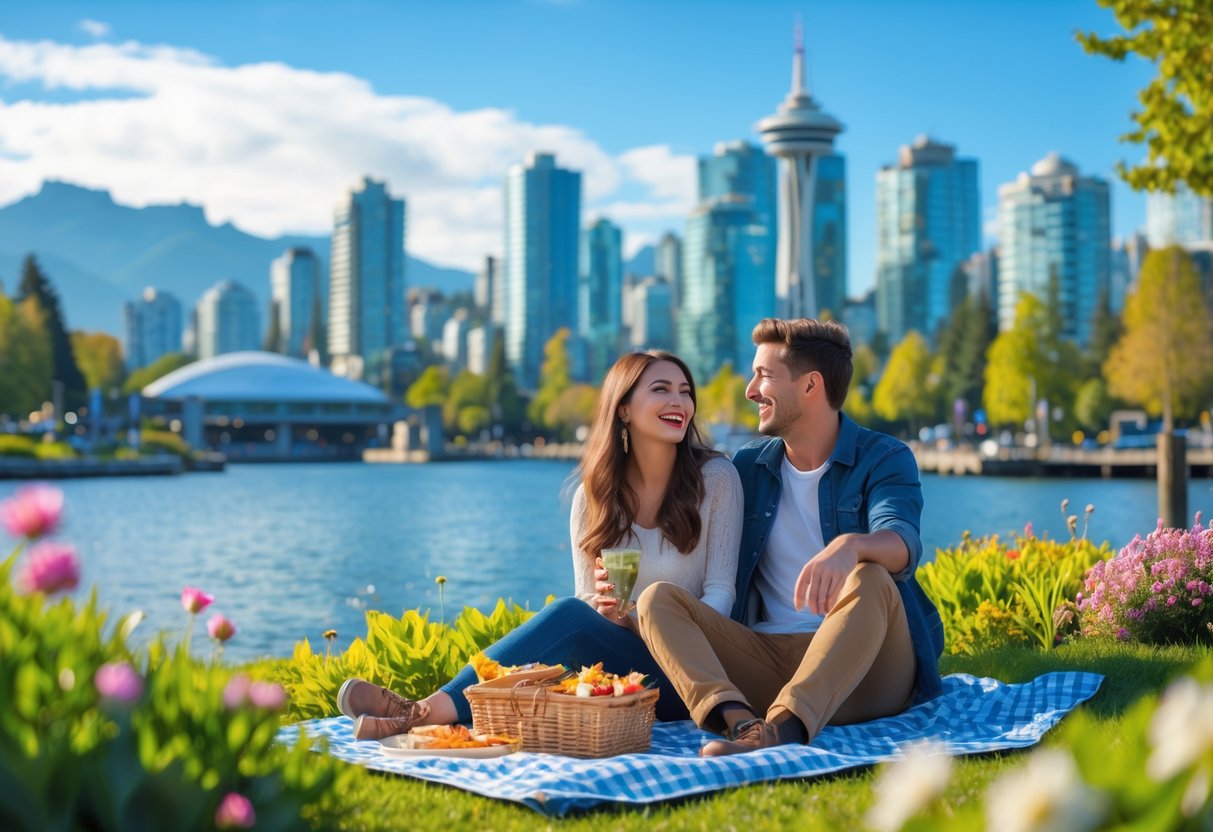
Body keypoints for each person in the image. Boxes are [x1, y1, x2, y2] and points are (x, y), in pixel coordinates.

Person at [340, 350, 743, 739]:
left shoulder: (716, 479)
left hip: (696, 678)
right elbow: (586, 603)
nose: (679, 401)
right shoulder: (595, 496)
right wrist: (609, 615)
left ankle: (421, 713)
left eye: (685, 391)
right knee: (570, 621)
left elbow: (722, 593)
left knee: (565, 617)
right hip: (627, 673)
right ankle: (423, 715)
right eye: (662, 389)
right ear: (623, 408)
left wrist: (640, 621)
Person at [636, 318, 944, 756]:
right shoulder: (746, 468)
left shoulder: (884, 458)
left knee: (871, 576)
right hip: (768, 659)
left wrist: (849, 547)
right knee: (656, 600)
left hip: (867, 672)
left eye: (764, 375)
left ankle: (784, 729)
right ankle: (744, 727)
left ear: (811, 386)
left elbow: (902, 541)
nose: (750, 390)